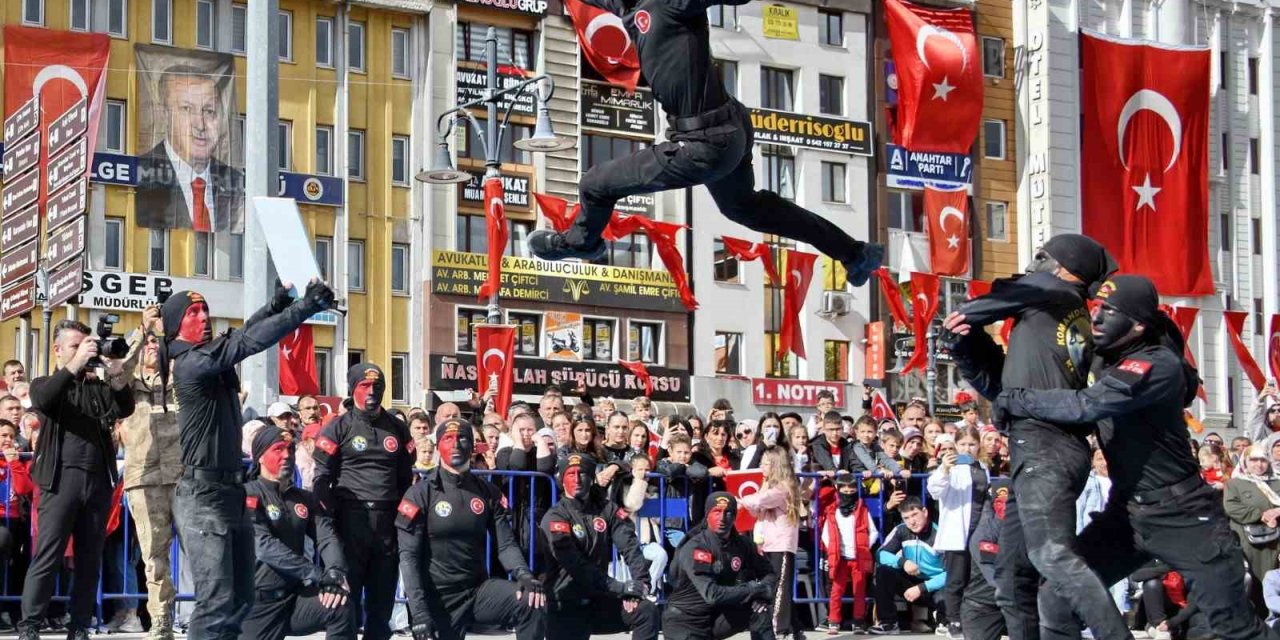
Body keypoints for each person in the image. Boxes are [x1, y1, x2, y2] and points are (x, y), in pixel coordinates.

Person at [994, 274, 1280, 640]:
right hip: (1127, 515)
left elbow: (1088, 405)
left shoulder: (1157, 363)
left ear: (1139, 325)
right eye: (1097, 308)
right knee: (1060, 595)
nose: (1096, 318)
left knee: (1235, 627)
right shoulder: (1104, 355)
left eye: (1110, 312)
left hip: (1185, 516)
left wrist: (1017, 401)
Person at [529, 0, 883, 286]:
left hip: (704, 142)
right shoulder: (633, 12)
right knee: (744, 208)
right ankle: (854, 253)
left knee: (595, 185)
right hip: (728, 127)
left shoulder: (669, 4)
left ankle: (580, 243)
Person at [943, 234, 1119, 640]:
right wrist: (968, 343)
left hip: (1046, 449)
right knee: (1011, 578)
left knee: (1052, 560)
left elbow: (986, 302)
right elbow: (1005, 387)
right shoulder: (1057, 312)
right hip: (1038, 449)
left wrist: (965, 316)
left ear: (1064, 267)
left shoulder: (1052, 289)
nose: (1033, 264)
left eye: (1042, 257)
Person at [162, 278, 336, 640]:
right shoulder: (191, 363)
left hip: (229, 492)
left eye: (205, 309)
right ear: (176, 326)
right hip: (202, 497)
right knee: (215, 601)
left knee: (241, 597)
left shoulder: (207, 355)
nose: (204, 316)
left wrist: (274, 307)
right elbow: (246, 342)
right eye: (193, 312)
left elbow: (242, 334)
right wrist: (303, 308)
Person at [19, 320, 136, 640]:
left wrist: (114, 370)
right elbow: (42, 399)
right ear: (58, 350)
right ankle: (30, 624)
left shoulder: (97, 387)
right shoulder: (47, 383)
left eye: (87, 347)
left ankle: (80, 625)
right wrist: (74, 364)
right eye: (75, 346)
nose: (84, 353)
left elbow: (126, 406)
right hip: (59, 480)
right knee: (48, 555)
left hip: (97, 481)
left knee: (89, 558)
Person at [396, 418, 546, 640]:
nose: (455, 444)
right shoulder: (419, 494)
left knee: (532, 600)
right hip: (438, 598)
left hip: (478, 591)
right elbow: (408, 558)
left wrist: (524, 575)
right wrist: (418, 613)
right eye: (448, 439)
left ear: (473, 447)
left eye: (462, 438)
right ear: (438, 446)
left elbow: (505, 544)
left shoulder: (488, 492)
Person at [311, 364, 414, 640]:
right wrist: (328, 517)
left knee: (381, 607)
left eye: (377, 386)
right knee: (347, 604)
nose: (372, 392)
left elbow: (406, 478)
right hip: (350, 521)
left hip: (386, 525)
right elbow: (321, 478)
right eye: (364, 386)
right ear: (353, 389)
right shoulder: (337, 427)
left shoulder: (398, 428)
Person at [239, 427, 352, 640]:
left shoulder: (303, 498)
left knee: (340, 605)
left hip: (294, 600)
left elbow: (326, 536)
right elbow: (264, 546)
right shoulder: (248, 495)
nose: (287, 456)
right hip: (259, 604)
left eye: (290, 449)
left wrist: (335, 572)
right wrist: (317, 574)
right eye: (278, 449)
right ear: (260, 457)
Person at [541, 454, 660, 640]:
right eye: (571, 474)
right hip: (565, 604)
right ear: (562, 480)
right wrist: (621, 587)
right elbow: (576, 565)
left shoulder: (607, 509)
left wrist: (639, 586)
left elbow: (630, 546)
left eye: (583, 473)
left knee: (645, 611)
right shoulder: (556, 517)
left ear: (591, 477)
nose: (577, 479)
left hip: (598, 599)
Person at [118, 307, 183, 640]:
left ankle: (211, 613)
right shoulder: (129, 384)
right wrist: (142, 329)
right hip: (143, 476)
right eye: (149, 343)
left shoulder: (180, 379)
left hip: (182, 475)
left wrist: (169, 334)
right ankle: (161, 620)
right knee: (153, 556)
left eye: (159, 342)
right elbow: (116, 373)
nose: (153, 346)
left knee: (202, 549)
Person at [136, 67, 245, 231]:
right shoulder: (139, 177)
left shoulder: (238, 185)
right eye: (186, 109)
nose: (200, 125)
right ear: (164, 114)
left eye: (209, 111)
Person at [663, 492, 778, 640]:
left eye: (728, 513)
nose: (722, 518)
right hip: (685, 621)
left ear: (735, 516)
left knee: (759, 608)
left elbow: (769, 573)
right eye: (716, 512)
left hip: (714, 618)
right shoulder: (697, 546)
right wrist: (754, 590)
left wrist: (761, 595)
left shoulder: (743, 544)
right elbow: (712, 594)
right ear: (707, 515)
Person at [927, 427, 989, 638]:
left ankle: (971, 620)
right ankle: (953, 620)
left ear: (978, 445)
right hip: (957, 531)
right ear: (956, 446)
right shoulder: (951, 466)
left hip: (979, 530)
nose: (967, 448)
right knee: (955, 580)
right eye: (963, 444)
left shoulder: (982, 466)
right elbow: (934, 490)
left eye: (972, 444)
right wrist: (944, 469)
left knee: (976, 580)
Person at [738, 447, 804, 638]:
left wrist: (741, 501)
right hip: (768, 542)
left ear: (776, 465)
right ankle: (796, 628)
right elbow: (756, 510)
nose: (762, 466)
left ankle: (777, 629)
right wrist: (750, 502)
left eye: (766, 463)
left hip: (781, 544)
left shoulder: (784, 486)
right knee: (778, 585)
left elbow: (762, 499)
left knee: (779, 587)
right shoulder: (768, 485)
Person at [871, 497, 946, 635]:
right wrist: (903, 562)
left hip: (934, 586)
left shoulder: (940, 534)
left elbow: (952, 573)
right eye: (906, 518)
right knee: (883, 571)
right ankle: (889, 623)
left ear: (925, 512)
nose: (911, 521)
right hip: (910, 581)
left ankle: (943, 622)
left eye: (915, 515)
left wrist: (922, 587)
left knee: (948, 590)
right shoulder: (901, 530)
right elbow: (880, 554)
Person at [819, 472, 878, 634]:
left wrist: (865, 546)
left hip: (858, 557)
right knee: (836, 590)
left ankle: (858, 621)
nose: (848, 493)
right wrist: (833, 549)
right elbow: (825, 535)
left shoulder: (862, 509)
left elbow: (873, 532)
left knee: (859, 590)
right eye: (844, 491)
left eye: (851, 491)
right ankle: (834, 621)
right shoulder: (832, 511)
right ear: (838, 490)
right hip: (840, 558)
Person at [1225, 444, 1280, 615]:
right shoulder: (1235, 483)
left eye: (1263, 459)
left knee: (1273, 580)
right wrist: (1261, 514)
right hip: (1248, 540)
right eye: (1254, 460)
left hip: (1276, 540)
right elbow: (1231, 507)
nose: (1259, 464)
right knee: (1253, 581)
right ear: (1245, 462)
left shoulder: (1277, 481)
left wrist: (1277, 511)